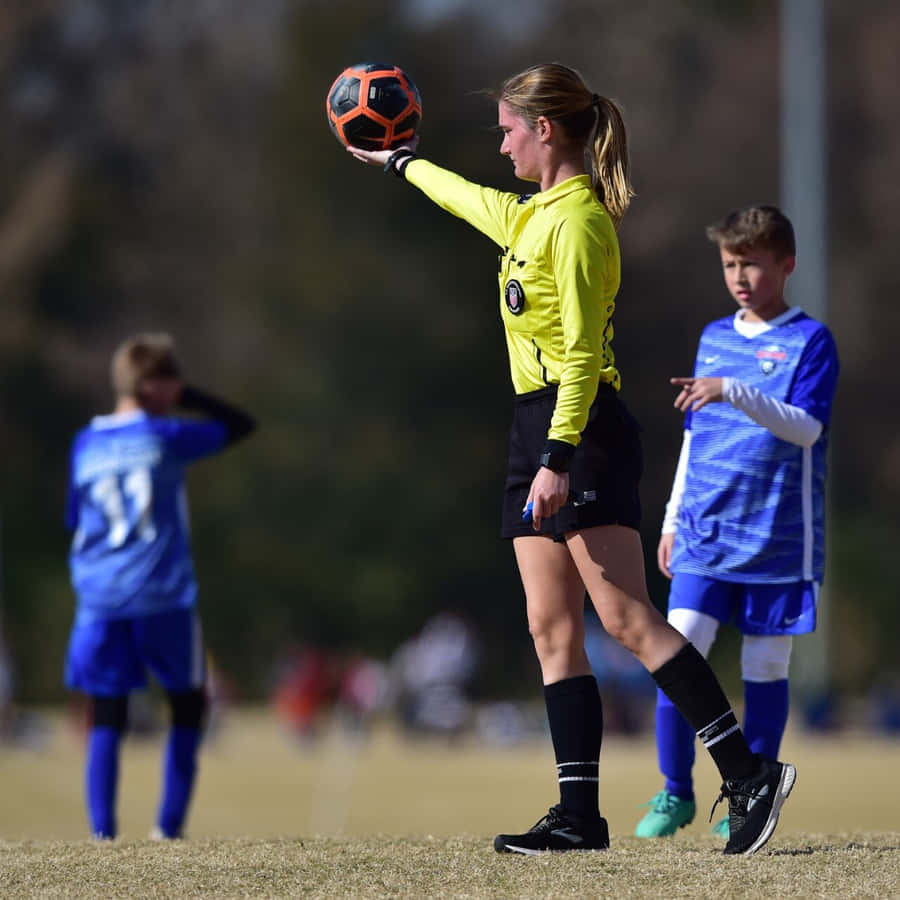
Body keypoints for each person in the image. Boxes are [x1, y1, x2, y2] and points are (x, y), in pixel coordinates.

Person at [347, 62, 795, 856]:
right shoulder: (529, 214)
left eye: (508, 129)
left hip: (579, 428)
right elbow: (467, 199)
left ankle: (750, 772)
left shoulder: (579, 223)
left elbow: (584, 357)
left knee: (623, 616)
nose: (501, 143)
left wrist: (558, 458)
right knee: (550, 624)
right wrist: (400, 161)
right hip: (534, 429)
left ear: (544, 130)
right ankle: (579, 815)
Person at [635, 206, 839, 841]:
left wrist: (734, 390)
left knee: (766, 669)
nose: (740, 276)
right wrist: (670, 518)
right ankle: (675, 792)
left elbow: (806, 429)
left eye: (752, 262)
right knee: (676, 654)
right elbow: (695, 439)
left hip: (778, 538)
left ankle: (749, 800)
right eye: (730, 263)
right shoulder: (713, 336)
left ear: (787, 265)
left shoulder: (812, 341)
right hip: (704, 531)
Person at [64, 332, 255, 839]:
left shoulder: (85, 442)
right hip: (160, 592)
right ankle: (167, 828)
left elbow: (74, 519)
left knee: (106, 710)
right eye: (171, 378)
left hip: (98, 596)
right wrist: (188, 398)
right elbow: (241, 426)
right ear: (154, 386)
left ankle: (102, 833)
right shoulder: (164, 435)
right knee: (189, 703)